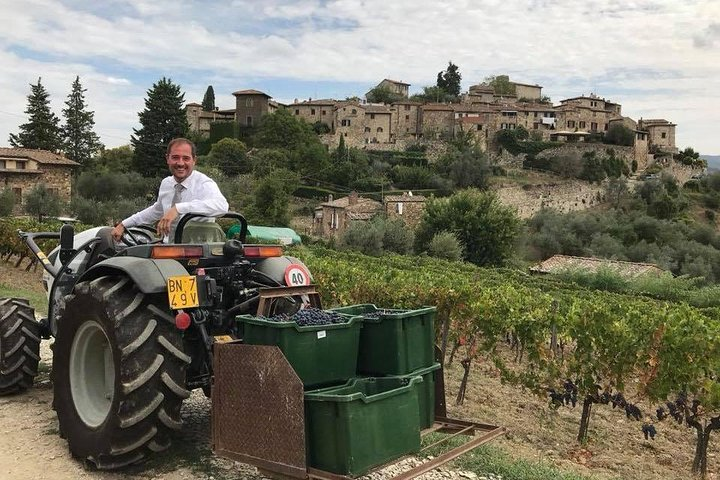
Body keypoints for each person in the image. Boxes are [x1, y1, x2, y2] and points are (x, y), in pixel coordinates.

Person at [111, 138, 229, 243]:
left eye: (186, 158)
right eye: (175, 157)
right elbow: (156, 210)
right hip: (169, 248)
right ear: (168, 158)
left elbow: (222, 206)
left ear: (194, 160)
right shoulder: (166, 183)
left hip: (195, 251)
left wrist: (178, 209)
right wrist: (124, 224)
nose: (180, 163)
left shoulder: (204, 183)